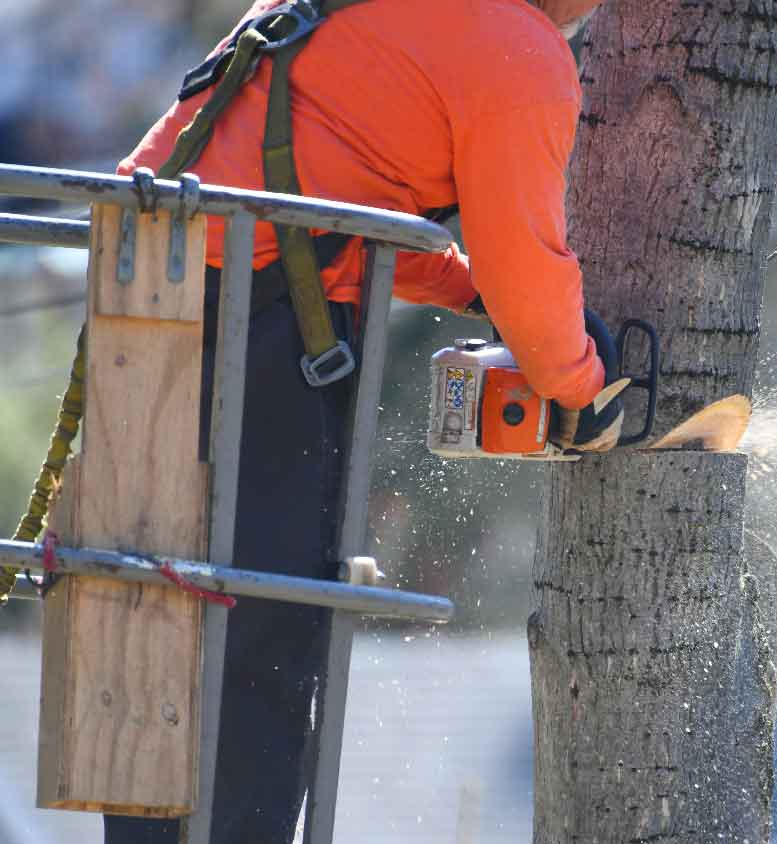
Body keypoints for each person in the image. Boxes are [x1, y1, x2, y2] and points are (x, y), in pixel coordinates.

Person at [104, 0, 612, 841]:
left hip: (144, 284)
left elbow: (325, 176)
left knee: (155, 610)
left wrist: (463, 286)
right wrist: (581, 385)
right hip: (253, 318)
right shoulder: (517, 48)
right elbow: (528, 264)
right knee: (260, 625)